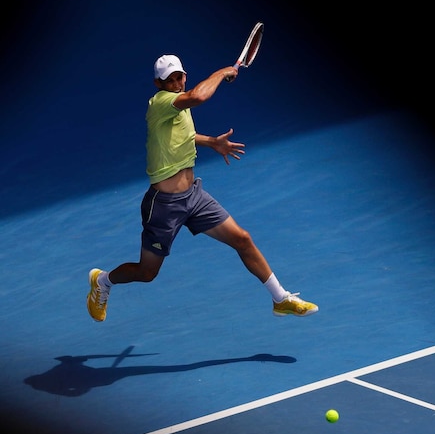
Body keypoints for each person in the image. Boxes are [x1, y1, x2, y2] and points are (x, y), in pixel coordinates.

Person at [86, 54, 318, 322]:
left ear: (184, 75)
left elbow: (182, 136)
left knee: (242, 239)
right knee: (147, 272)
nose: (175, 83)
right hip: (164, 205)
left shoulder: (177, 106)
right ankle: (103, 281)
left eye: (179, 77)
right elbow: (199, 96)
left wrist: (211, 142)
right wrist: (221, 73)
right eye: (168, 80)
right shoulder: (163, 102)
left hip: (194, 197)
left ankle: (281, 298)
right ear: (157, 84)